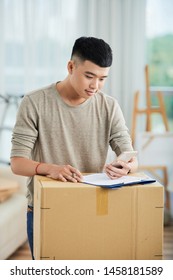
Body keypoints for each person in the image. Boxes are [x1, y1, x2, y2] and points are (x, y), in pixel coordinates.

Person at [10, 36, 138, 259]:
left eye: (102, 78)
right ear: (71, 67)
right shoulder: (34, 102)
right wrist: (50, 168)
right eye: (89, 76)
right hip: (46, 209)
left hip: (93, 208)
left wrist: (126, 166)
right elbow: (17, 163)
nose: (95, 86)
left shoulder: (109, 106)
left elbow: (130, 156)